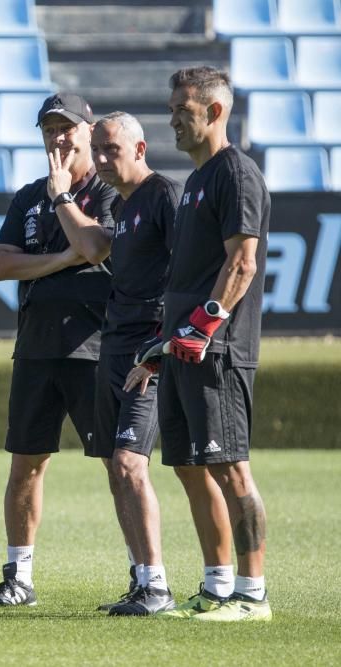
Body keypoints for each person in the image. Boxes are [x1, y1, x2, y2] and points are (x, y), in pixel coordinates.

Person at [0, 92, 116, 607]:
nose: (58, 138)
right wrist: (63, 257)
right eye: (49, 130)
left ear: (89, 131)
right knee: (26, 465)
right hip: (36, 348)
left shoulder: (108, 192)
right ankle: (19, 576)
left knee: (119, 464)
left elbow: (97, 247)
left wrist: (63, 202)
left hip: (95, 347)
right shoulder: (27, 196)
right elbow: (3, 264)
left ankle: (145, 576)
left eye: (67, 128)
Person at [146, 66, 271, 622]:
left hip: (216, 351)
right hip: (183, 348)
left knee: (233, 470)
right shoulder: (197, 178)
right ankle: (217, 587)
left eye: (182, 110)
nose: (173, 119)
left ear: (214, 112)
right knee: (192, 468)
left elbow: (241, 261)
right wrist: (165, 340)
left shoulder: (236, 174)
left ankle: (252, 594)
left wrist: (204, 325)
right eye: (172, 109)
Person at [87, 111, 180, 615]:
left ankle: (158, 587)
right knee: (114, 468)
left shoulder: (163, 195)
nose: (101, 159)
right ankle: (142, 580)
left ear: (139, 150)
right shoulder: (122, 208)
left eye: (111, 150)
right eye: (96, 150)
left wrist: (158, 351)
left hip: (147, 351)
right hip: (114, 346)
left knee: (129, 464)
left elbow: (187, 276)